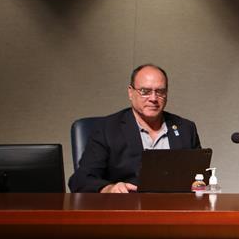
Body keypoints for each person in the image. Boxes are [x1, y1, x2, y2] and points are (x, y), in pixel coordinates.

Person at [68, 64, 201, 193]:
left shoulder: (186, 129)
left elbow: (199, 178)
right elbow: (80, 180)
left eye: (160, 91)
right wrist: (109, 188)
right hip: (128, 208)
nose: (153, 98)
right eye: (145, 91)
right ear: (131, 92)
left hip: (176, 209)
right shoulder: (107, 129)